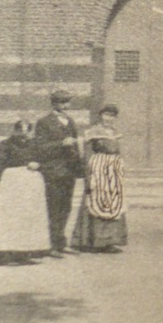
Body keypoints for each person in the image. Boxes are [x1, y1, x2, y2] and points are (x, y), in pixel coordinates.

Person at [0, 119, 48, 259]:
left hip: (29, 186)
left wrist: (38, 164)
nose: (23, 134)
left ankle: (23, 253)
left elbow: (44, 160)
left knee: (26, 217)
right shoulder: (5, 145)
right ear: (15, 131)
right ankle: (2, 253)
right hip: (10, 184)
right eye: (20, 131)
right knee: (7, 217)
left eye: (26, 131)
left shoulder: (34, 145)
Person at [72, 105, 128, 252]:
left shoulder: (115, 133)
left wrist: (119, 168)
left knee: (113, 203)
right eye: (106, 115)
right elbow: (88, 154)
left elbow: (118, 152)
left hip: (113, 171)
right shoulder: (93, 132)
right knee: (95, 202)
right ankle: (91, 241)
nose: (109, 118)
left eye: (112, 116)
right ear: (101, 115)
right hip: (98, 169)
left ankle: (109, 241)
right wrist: (89, 174)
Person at [34, 89, 84, 254]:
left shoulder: (70, 121)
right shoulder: (44, 122)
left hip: (68, 172)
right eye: (63, 102)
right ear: (54, 103)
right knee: (53, 207)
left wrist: (79, 168)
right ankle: (51, 245)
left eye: (67, 102)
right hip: (53, 171)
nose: (66, 105)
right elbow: (40, 148)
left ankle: (61, 243)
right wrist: (61, 144)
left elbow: (75, 145)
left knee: (66, 207)